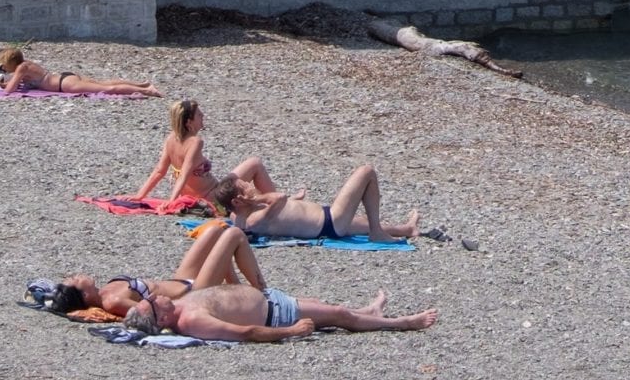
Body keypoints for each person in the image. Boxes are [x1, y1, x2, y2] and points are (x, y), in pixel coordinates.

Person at [41, 221, 264, 318]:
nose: (77, 275)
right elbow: (153, 313)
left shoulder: (107, 289)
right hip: (193, 294)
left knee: (216, 229)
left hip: (181, 280)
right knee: (234, 236)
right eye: (74, 280)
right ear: (85, 294)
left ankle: (237, 289)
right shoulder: (112, 302)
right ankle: (262, 292)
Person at [122, 283, 437, 341]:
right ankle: (403, 323)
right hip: (277, 315)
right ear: (161, 319)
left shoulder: (177, 308)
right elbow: (245, 333)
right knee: (340, 315)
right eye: (151, 301)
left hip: (271, 300)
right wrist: (291, 331)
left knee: (335, 310)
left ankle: (370, 311)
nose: (155, 296)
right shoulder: (191, 320)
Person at [210, 165, 420, 242]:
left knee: (363, 222)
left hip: (326, 219)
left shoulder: (237, 215)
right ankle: (377, 234)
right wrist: (257, 198)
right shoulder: (253, 220)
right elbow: (279, 197)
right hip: (329, 222)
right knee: (367, 172)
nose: (250, 185)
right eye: (245, 187)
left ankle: (406, 229)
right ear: (238, 200)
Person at [131, 99, 277, 207]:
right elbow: (184, 174)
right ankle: (278, 203)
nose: (203, 117)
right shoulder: (195, 142)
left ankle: (276, 201)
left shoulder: (171, 138)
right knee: (255, 163)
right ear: (189, 122)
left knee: (246, 188)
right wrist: (171, 202)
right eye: (199, 115)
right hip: (212, 197)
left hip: (201, 195)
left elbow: (159, 171)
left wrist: (140, 195)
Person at [0, 46, 156, 96]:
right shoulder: (26, 65)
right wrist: (4, 83)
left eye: (4, 65)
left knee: (108, 89)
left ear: (9, 63)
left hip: (64, 85)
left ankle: (147, 90)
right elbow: (14, 84)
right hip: (66, 77)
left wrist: (1, 87)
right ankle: (141, 84)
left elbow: (10, 90)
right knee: (104, 83)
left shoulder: (21, 68)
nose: (3, 68)